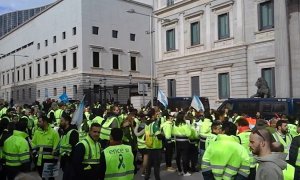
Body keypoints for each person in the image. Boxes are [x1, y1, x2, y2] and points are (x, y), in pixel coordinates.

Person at [31, 115, 60, 180]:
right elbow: (33, 145)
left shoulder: (54, 133)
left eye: (40, 121)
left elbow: (57, 147)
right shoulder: (37, 132)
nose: (38, 123)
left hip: (50, 161)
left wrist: (55, 161)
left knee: (50, 179)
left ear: (45, 122)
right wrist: (34, 154)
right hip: (39, 161)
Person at [59, 112, 79, 180]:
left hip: (70, 163)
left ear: (67, 121)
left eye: (62, 121)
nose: (60, 122)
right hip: (65, 162)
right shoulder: (64, 132)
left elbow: (74, 149)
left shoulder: (73, 132)